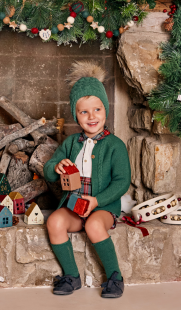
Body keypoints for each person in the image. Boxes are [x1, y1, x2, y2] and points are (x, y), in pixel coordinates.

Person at [43, 60, 131, 298]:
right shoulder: (71, 143)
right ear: (76, 115)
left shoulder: (115, 145)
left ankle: (114, 276)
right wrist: (57, 166)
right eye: (84, 111)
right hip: (73, 205)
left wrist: (97, 200)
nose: (91, 116)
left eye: (97, 109)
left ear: (105, 111)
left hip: (100, 207)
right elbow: (49, 169)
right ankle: (71, 276)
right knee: (54, 222)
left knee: (93, 224)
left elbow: (122, 182)